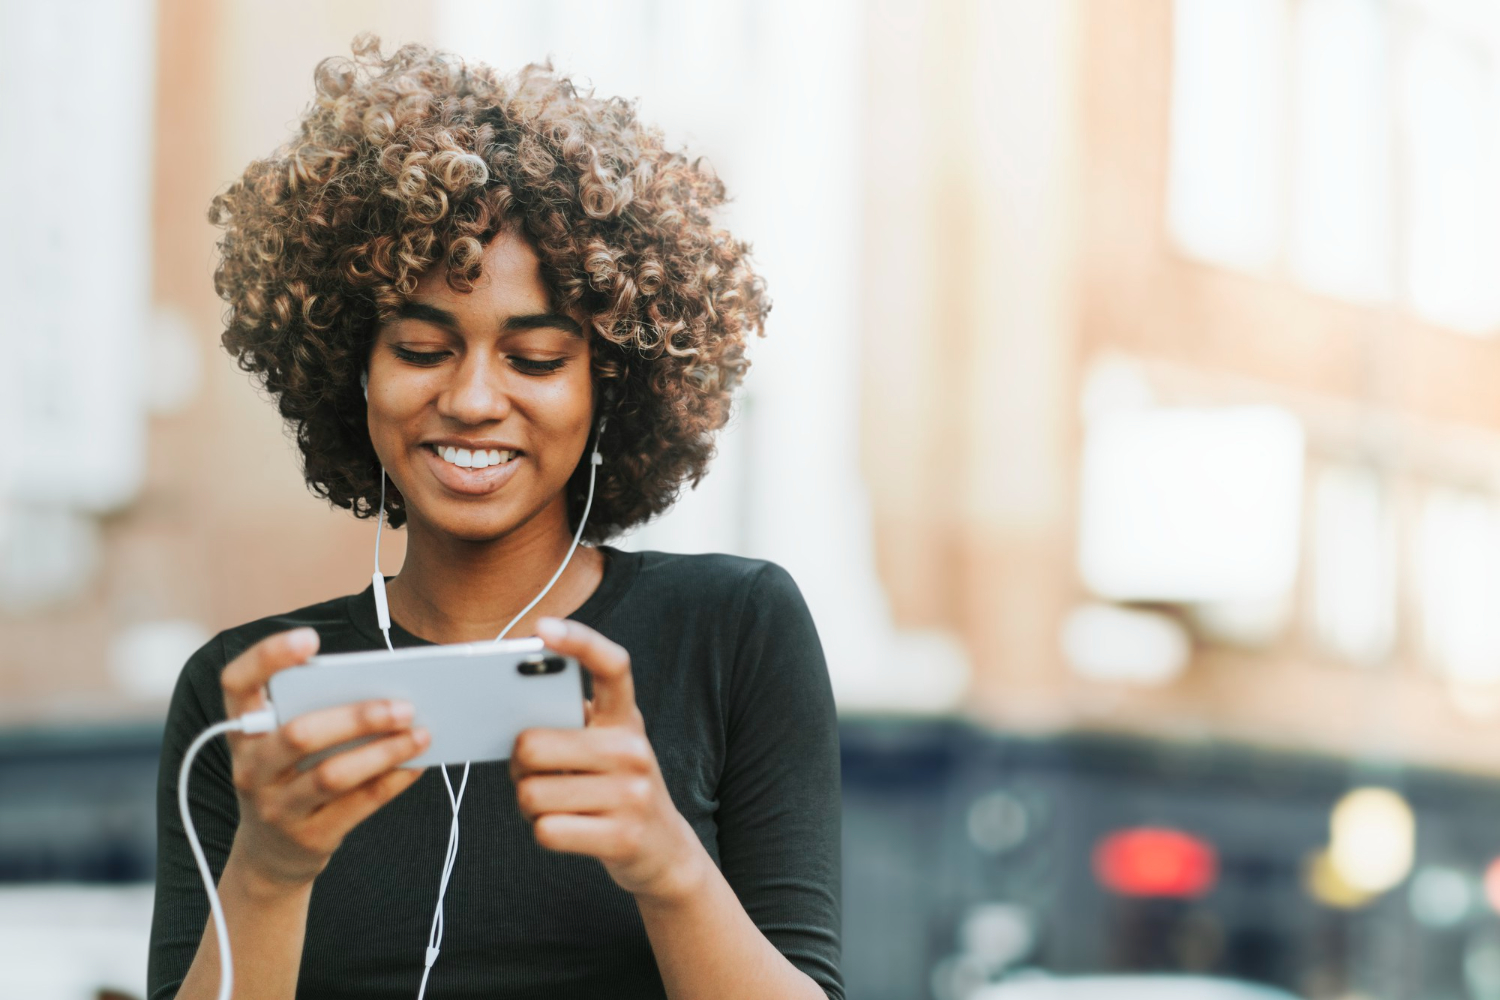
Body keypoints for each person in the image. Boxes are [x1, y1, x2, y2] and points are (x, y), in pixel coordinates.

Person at [146, 36, 842, 1000]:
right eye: (423, 347)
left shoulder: (734, 630)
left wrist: (665, 861)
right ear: (352, 373)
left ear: (611, 385)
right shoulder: (246, 698)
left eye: (537, 359)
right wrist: (268, 871)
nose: (474, 399)